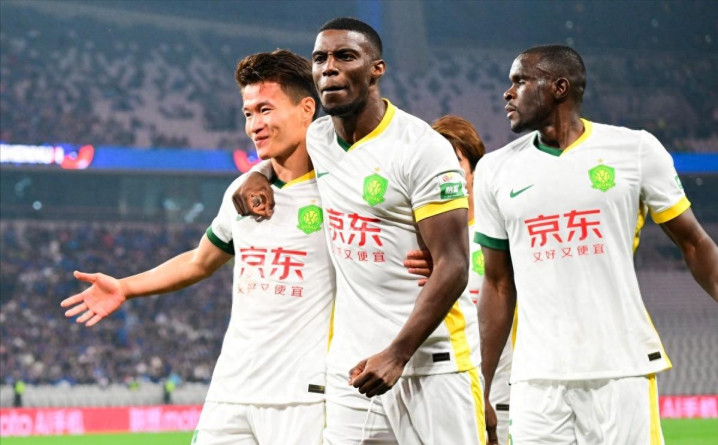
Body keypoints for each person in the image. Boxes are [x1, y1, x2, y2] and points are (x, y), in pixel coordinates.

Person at [61, 49, 334, 445]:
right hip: (231, 390)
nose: (254, 125)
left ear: (307, 109)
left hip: (303, 396)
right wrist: (125, 287)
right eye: (248, 114)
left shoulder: (339, 190)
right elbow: (199, 261)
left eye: (265, 110)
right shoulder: (241, 193)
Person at [236, 17, 485, 444]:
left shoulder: (421, 148)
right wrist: (257, 175)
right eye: (320, 59)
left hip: (431, 363)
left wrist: (397, 354)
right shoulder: (319, 139)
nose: (329, 67)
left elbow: (455, 265)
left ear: (376, 70)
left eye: (345, 56)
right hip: (352, 367)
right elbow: (279, 159)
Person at [474, 44, 718, 445]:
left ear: (559, 87)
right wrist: (479, 385)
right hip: (536, 378)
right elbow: (498, 284)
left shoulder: (635, 150)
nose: (508, 92)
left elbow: (694, 243)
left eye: (520, 81)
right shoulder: (494, 170)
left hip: (620, 368)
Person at [406, 115, 514, 445]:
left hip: (504, 387)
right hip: (445, 381)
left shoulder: (503, 234)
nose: (445, 172)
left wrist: (486, 391)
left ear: (474, 169)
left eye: (455, 161)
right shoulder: (422, 240)